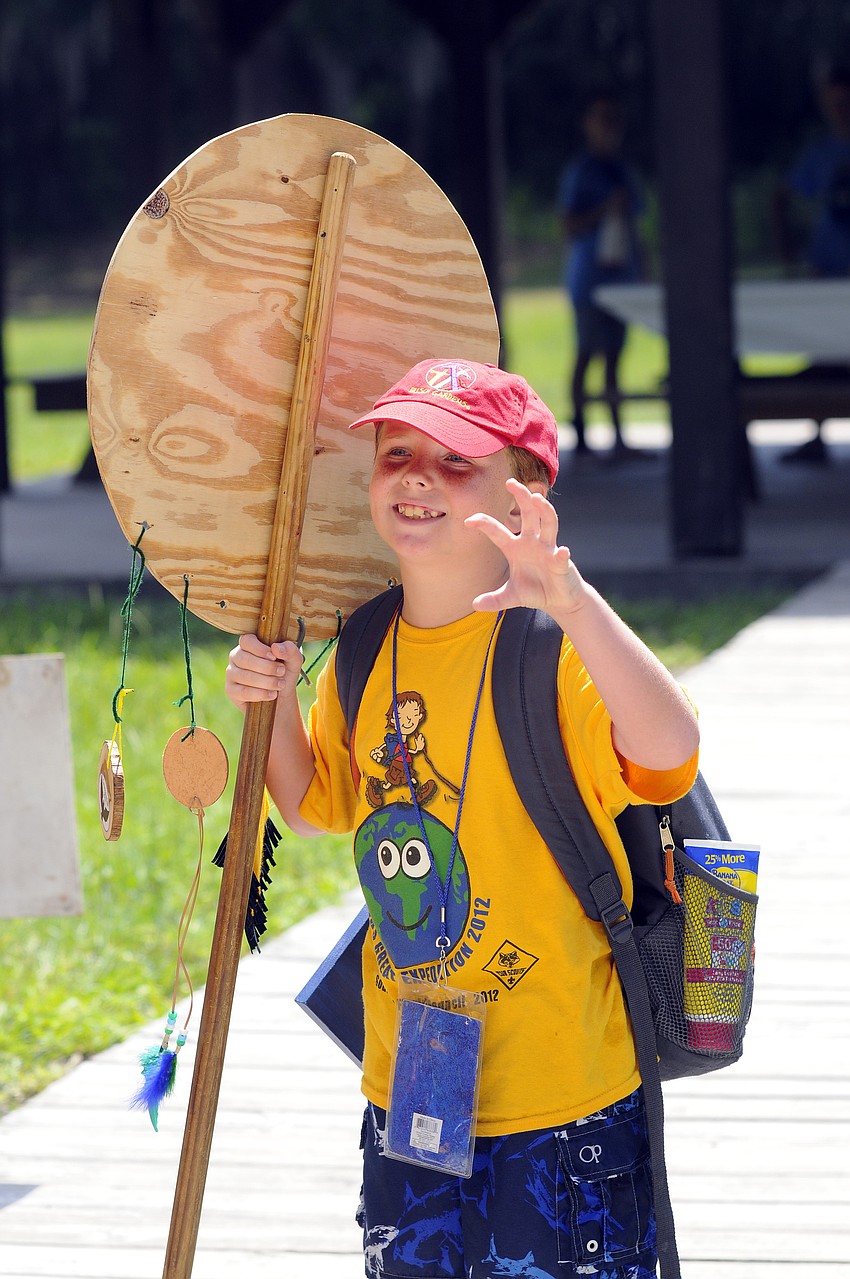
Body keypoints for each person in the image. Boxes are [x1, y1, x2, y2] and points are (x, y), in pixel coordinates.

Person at [225, 358, 700, 1279]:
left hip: (562, 1106)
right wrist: (273, 692)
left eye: (456, 461)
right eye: (398, 451)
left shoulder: (554, 649)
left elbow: (670, 751)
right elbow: (314, 804)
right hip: (411, 1092)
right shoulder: (364, 647)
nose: (416, 475)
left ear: (524, 493)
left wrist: (572, 600)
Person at [557, 91, 644, 460]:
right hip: (589, 278)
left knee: (614, 356)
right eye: (601, 117)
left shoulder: (623, 168)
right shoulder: (581, 170)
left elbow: (637, 221)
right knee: (586, 352)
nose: (609, 126)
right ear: (587, 123)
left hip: (621, 277)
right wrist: (604, 209)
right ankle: (580, 434)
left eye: (614, 118)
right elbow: (568, 224)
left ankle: (618, 436)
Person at [772, 65, 850, 464]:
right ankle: (816, 434)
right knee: (821, 351)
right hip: (828, 266)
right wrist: (788, 248)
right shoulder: (821, 154)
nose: (841, 110)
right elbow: (782, 196)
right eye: (834, 103)